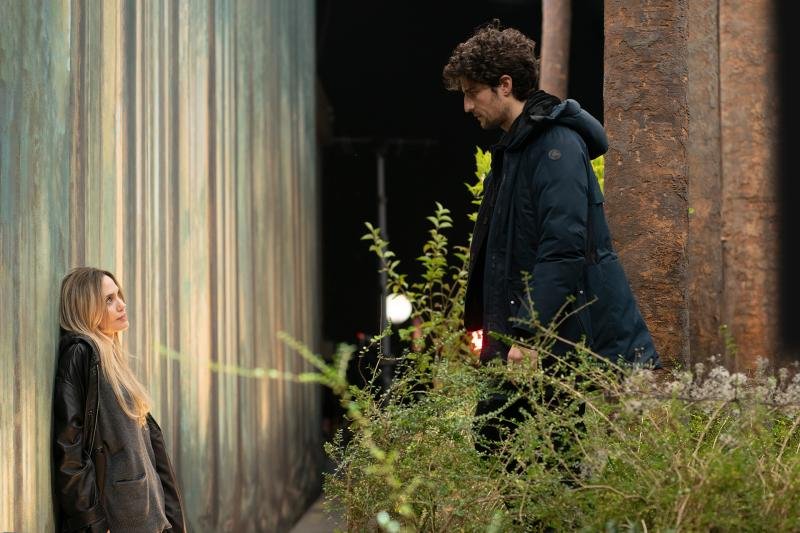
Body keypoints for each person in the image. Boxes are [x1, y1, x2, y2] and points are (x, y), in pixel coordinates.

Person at [442, 22, 660, 457]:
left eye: (473, 93)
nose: (466, 106)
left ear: (505, 85)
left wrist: (529, 337)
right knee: (501, 444)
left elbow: (563, 248)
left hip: (556, 341)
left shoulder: (556, 146)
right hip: (526, 338)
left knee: (544, 455)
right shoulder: (514, 150)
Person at [53, 267, 185, 532]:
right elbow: (70, 450)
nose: (121, 304)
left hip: (150, 515)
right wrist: (92, 522)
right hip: (122, 520)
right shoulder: (82, 355)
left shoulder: (113, 360)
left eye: (118, 295)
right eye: (108, 300)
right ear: (86, 308)